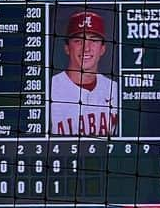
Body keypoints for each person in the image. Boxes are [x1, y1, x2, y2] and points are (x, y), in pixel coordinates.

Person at [48, 9, 119, 137]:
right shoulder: (49, 89)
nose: (86, 48)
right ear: (67, 48)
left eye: (93, 40)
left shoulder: (115, 90)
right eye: (78, 41)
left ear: (102, 49)